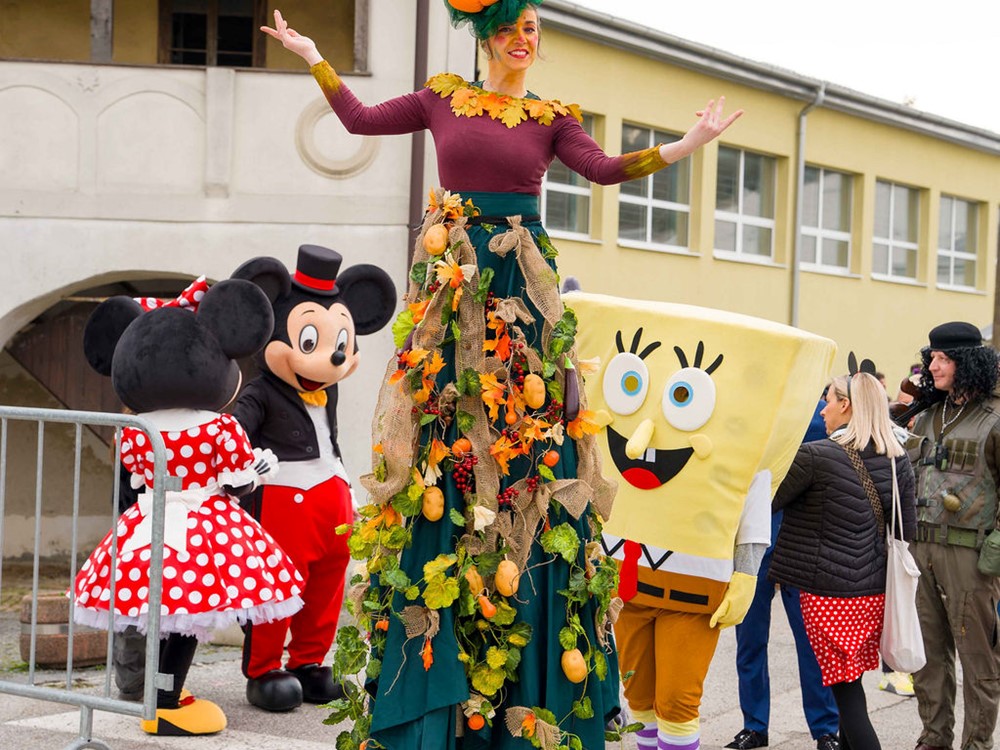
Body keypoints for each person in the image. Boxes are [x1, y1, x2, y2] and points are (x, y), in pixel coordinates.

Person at [262, 3, 741, 748]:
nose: (525, 40)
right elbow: (358, 119)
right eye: (514, 28)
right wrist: (312, 55)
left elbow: (605, 169)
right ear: (486, 35)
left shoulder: (551, 117)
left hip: (521, 281)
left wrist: (687, 144)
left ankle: (532, 664)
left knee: (531, 438)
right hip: (453, 276)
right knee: (445, 430)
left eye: (534, 30)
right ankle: (437, 668)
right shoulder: (441, 97)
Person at [770, 369, 917, 750]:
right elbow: (906, 530)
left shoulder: (815, 456)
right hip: (872, 594)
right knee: (851, 686)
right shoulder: (897, 459)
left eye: (829, 401)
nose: (823, 410)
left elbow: (771, 499)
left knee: (848, 698)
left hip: (827, 596)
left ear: (846, 405)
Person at [727, 398, 841, 750]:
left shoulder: (817, 411)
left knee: (811, 643)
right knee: (749, 641)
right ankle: (754, 725)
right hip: (752, 542)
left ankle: (826, 728)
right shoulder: (744, 406)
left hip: (801, 543)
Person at [907, 321, 1000, 750]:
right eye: (932, 358)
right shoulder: (926, 416)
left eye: (944, 359)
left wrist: (995, 547)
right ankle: (934, 737)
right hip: (920, 548)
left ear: (968, 363)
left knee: (978, 658)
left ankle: (977, 744)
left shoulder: (993, 420)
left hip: (970, 556)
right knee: (926, 654)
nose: (934, 366)